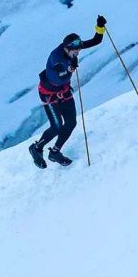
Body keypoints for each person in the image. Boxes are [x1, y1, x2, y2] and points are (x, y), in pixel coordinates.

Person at [29, 15, 107, 168]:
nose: (78, 52)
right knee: (56, 126)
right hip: (49, 94)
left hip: (63, 92)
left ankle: (55, 152)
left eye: (79, 49)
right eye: (75, 50)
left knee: (71, 123)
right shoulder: (56, 57)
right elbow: (58, 77)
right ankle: (36, 148)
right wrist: (69, 67)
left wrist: (100, 26)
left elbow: (96, 40)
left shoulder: (71, 48)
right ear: (66, 48)